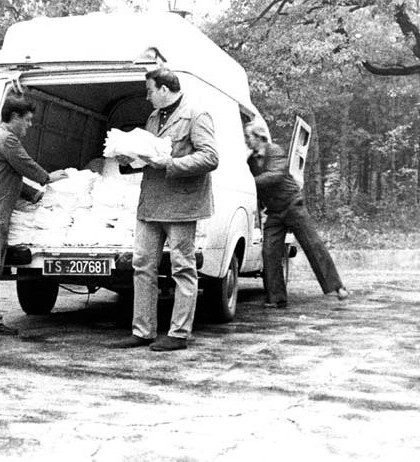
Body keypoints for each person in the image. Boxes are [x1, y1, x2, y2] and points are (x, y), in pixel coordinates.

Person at [112, 68, 219, 351]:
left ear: (164, 89)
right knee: (142, 265)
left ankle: (179, 334)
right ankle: (143, 330)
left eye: (149, 91)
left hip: (182, 205)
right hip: (151, 203)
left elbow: (210, 157)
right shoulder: (152, 118)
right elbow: (150, 155)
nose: (147, 97)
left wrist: (170, 164)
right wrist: (128, 159)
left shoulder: (197, 114)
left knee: (182, 268)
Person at [0, 90, 68, 340]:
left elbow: (11, 176)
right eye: (28, 120)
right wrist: (47, 178)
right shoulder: (6, 139)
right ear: (14, 117)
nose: (30, 125)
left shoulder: (2, 139)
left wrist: (34, 196)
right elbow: (24, 164)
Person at [245, 120, 348, 308]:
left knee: (313, 245)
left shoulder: (274, 150)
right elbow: (257, 188)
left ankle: (337, 287)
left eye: (249, 137)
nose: (247, 141)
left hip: (292, 205)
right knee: (269, 252)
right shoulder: (251, 160)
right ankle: (276, 298)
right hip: (274, 211)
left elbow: (275, 176)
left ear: (259, 137)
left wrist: (248, 181)